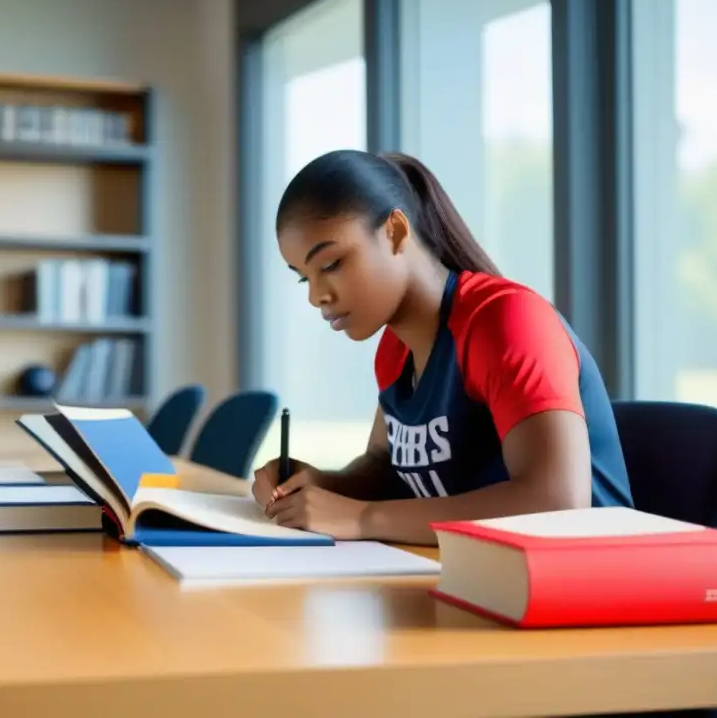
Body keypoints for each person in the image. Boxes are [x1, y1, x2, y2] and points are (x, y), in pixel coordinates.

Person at [252, 149, 634, 546]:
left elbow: (557, 503)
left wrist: (363, 518)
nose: (316, 297)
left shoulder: (507, 321)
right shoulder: (395, 348)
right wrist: (321, 485)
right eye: (303, 279)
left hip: (583, 591)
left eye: (330, 265)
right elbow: (386, 471)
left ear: (395, 232)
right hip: (474, 580)